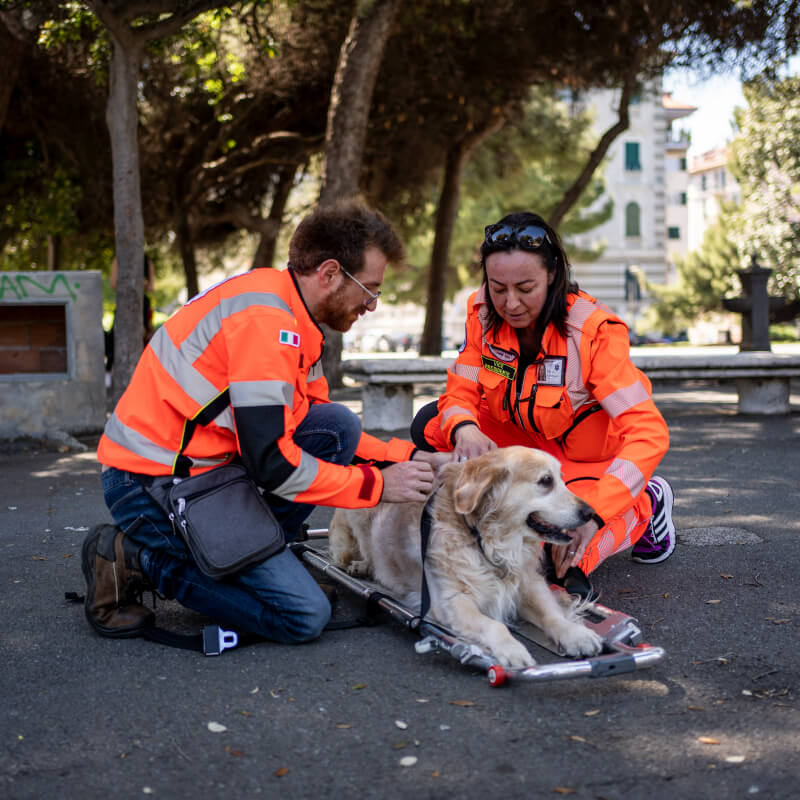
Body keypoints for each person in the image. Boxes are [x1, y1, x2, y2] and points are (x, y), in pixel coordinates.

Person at [86, 201, 447, 645]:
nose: (372, 305)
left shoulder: (293, 316)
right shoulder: (267, 324)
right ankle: (133, 557)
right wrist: (377, 485)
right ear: (330, 273)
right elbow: (273, 463)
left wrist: (408, 456)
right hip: (148, 484)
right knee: (302, 615)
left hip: (208, 473)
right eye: (369, 289)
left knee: (335, 426)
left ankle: (253, 562)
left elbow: (319, 427)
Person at [410, 211, 675, 593]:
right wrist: (465, 428)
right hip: (523, 444)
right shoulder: (481, 312)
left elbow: (649, 434)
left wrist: (596, 513)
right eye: (498, 288)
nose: (510, 303)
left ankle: (646, 501)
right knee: (432, 425)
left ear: (552, 274)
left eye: (525, 288)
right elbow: (461, 390)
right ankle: (494, 510)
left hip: (586, 463)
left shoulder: (594, 332)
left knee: (554, 563)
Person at [104, 252, 157, 371]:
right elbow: (151, 287)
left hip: (134, 302)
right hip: (134, 302)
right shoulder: (144, 260)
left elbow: (113, 284)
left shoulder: (121, 259)